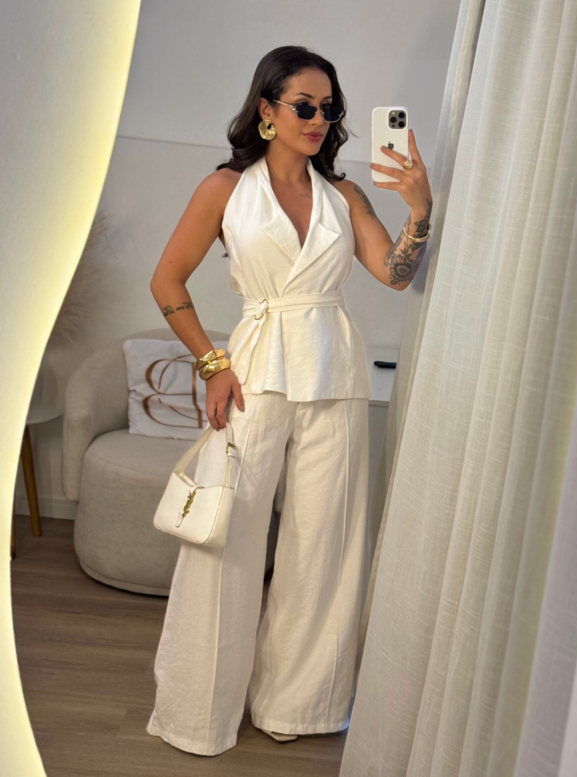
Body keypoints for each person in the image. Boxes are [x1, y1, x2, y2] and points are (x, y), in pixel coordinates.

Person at [146, 45, 433, 757]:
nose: (318, 119)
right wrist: (212, 364)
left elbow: (394, 273)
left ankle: (296, 704)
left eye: (329, 108)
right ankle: (198, 711)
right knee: (225, 541)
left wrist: (420, 207)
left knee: (324, 546)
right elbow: (167, 281)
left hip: (334, 375)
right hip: (253, 373)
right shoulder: (224, 188)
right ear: (266, 109)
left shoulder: (345, 195)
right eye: (304, 105)